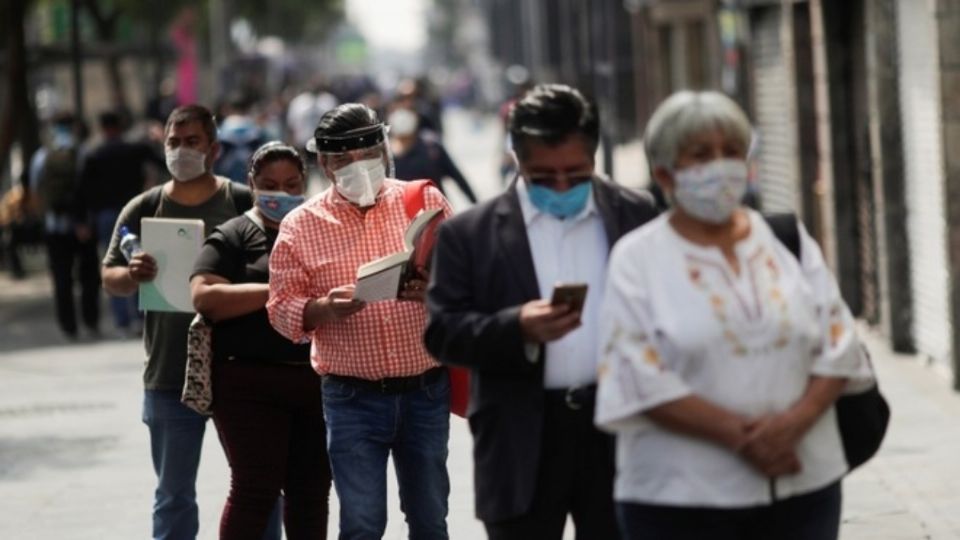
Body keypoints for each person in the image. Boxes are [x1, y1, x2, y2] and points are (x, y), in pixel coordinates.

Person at [594, 90, 874, 540]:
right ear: (665, 172)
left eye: (731, 152)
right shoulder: (637, 258)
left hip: (802, 484)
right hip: (682, 499)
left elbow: (839, 343)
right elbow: (635, 372)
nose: (720, 166)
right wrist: (746, 440)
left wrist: (790, 428)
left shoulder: (786, 240)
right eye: (701, 155)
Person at [423, 84, 659, 539]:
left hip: (619, 435)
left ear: (593, 157)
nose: (562, 187)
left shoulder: (636, 213)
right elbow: (442, 333)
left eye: (576, 173)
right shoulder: (469, 235)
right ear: (517, 157)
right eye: (544, 177)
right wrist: (517, 327)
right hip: (520, 441)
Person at [267, 103, 453, 540]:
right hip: (352, 397)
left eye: (367, 155)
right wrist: (322, 309)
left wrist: (434, 290)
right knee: (363, 523)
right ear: (325, 165)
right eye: (343, 161)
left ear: (384, 152)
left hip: (424, 389)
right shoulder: (300, 226)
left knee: (430, 518)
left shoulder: (423, 200)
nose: (358, 167)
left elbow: (468, 277)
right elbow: (280, 308)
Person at [100, 104, 281, 540]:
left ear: (213, 149)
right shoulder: (143, 208)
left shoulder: (242, 203)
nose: (181, 151)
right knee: (173, 493)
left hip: (241, 368)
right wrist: (132, 275)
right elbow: (110, 278)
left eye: (192, 141)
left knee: (259, 489)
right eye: (173, 142)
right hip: (168, 373)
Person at [191, 142, 331, 539]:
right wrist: (275, 292)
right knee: (255, 488)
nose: (281, 194)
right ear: (251, 184)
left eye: (291, 184)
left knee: (311, 490)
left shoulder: (318, 232)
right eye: (269, 185)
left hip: (314, 382)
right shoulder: (235, 235)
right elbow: (205, 296)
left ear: (305, 183)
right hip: (247, 385)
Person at [78, 109, 165, 336]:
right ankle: (139, 315)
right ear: (120, 126)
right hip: (134, 212)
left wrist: (85, 218)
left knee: (114, 264)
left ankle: (122, 321)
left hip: (107, 216)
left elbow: (83, 190)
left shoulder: (94, 154)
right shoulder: (135, 149)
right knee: (139, 261)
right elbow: (162, 163)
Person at [30, 112, 101, 340]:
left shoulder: (42, 156)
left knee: (62, 278)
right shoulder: (84, 153)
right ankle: (90, 321)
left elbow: (35, 188)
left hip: (55, 226)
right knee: (89, 277)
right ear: (74, 127)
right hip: (84, 227)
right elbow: (90, 190)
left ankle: (68, 326)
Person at [388, 106, 478, 203]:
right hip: (404, 212)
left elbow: (457, 176)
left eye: (407, 137)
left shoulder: (431, 148)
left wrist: (475, 203)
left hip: (436, 207)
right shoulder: (387, 157)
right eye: (401, 138)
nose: (404, 141)